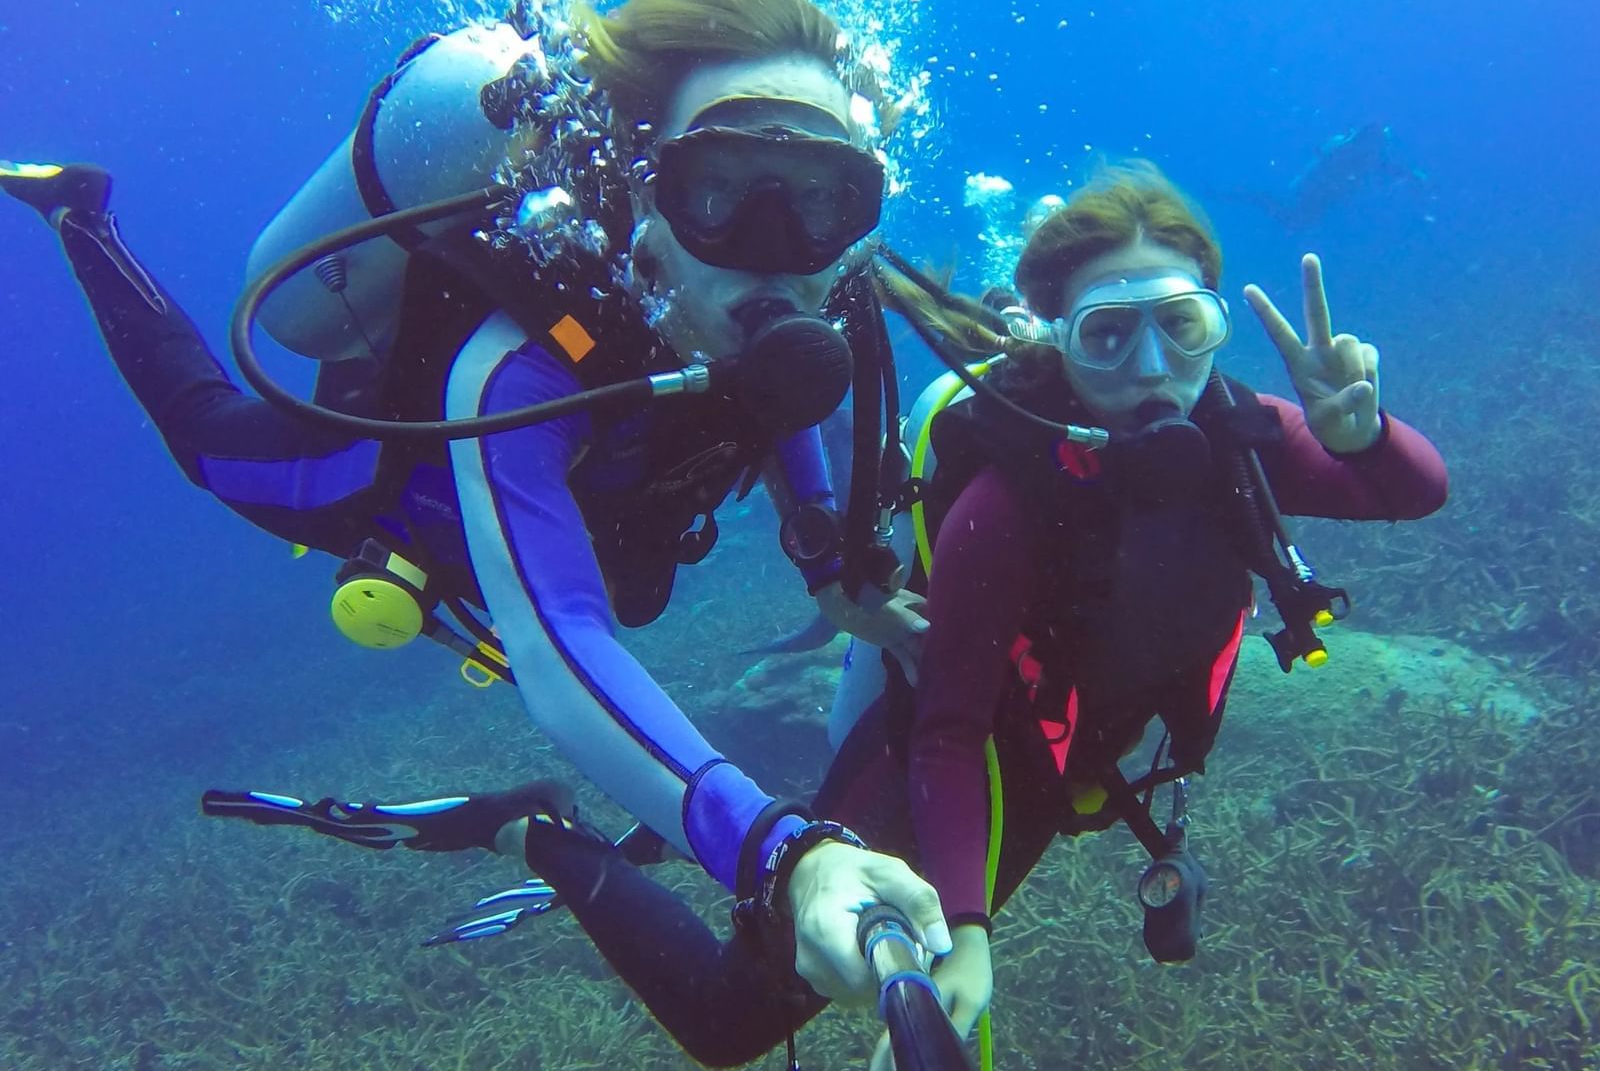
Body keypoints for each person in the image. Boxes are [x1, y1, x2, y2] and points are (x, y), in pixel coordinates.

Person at [203, 162, 1446, 1066]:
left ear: (1214, 325)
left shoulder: (1242, 437)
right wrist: (960, 928)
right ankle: (538, 831)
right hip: (961, 760)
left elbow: (1407, 493)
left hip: (1080, 750)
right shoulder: (1005, 504)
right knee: (736, 1023)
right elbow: (951, 726)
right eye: (1105, 337)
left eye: (1178, 328)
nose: (1149, 375)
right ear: (1053, 345)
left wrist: (1358, 430)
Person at [0, 0, 950, 1005]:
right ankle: (85, 223)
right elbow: (561, 645)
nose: (776, 247)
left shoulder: (819, 303)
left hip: (610, 495)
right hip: (386, 481)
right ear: (639, 188)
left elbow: (778, 406)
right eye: (719, 187)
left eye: (821, 198)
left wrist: (830, 575)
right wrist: (779, 850)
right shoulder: (515, 373)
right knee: (204, 439)